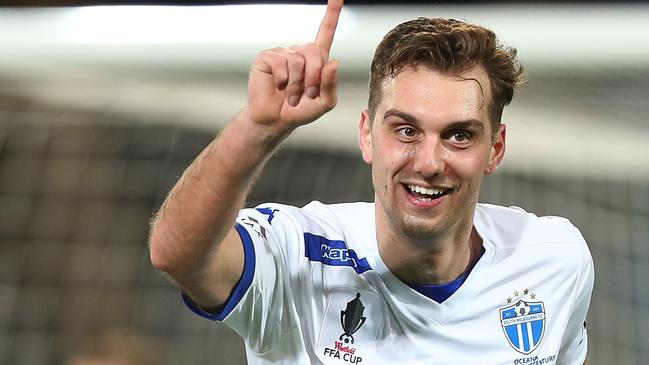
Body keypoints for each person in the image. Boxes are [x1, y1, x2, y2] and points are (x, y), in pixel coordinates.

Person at [149, 0, 594, 364]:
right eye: (406, 130)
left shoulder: (555, 260)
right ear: (366, 134)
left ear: (495, 148)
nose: (429, 162)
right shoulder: (296, 256)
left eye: (459, 135)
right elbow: (176, 255)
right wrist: (256, 128)